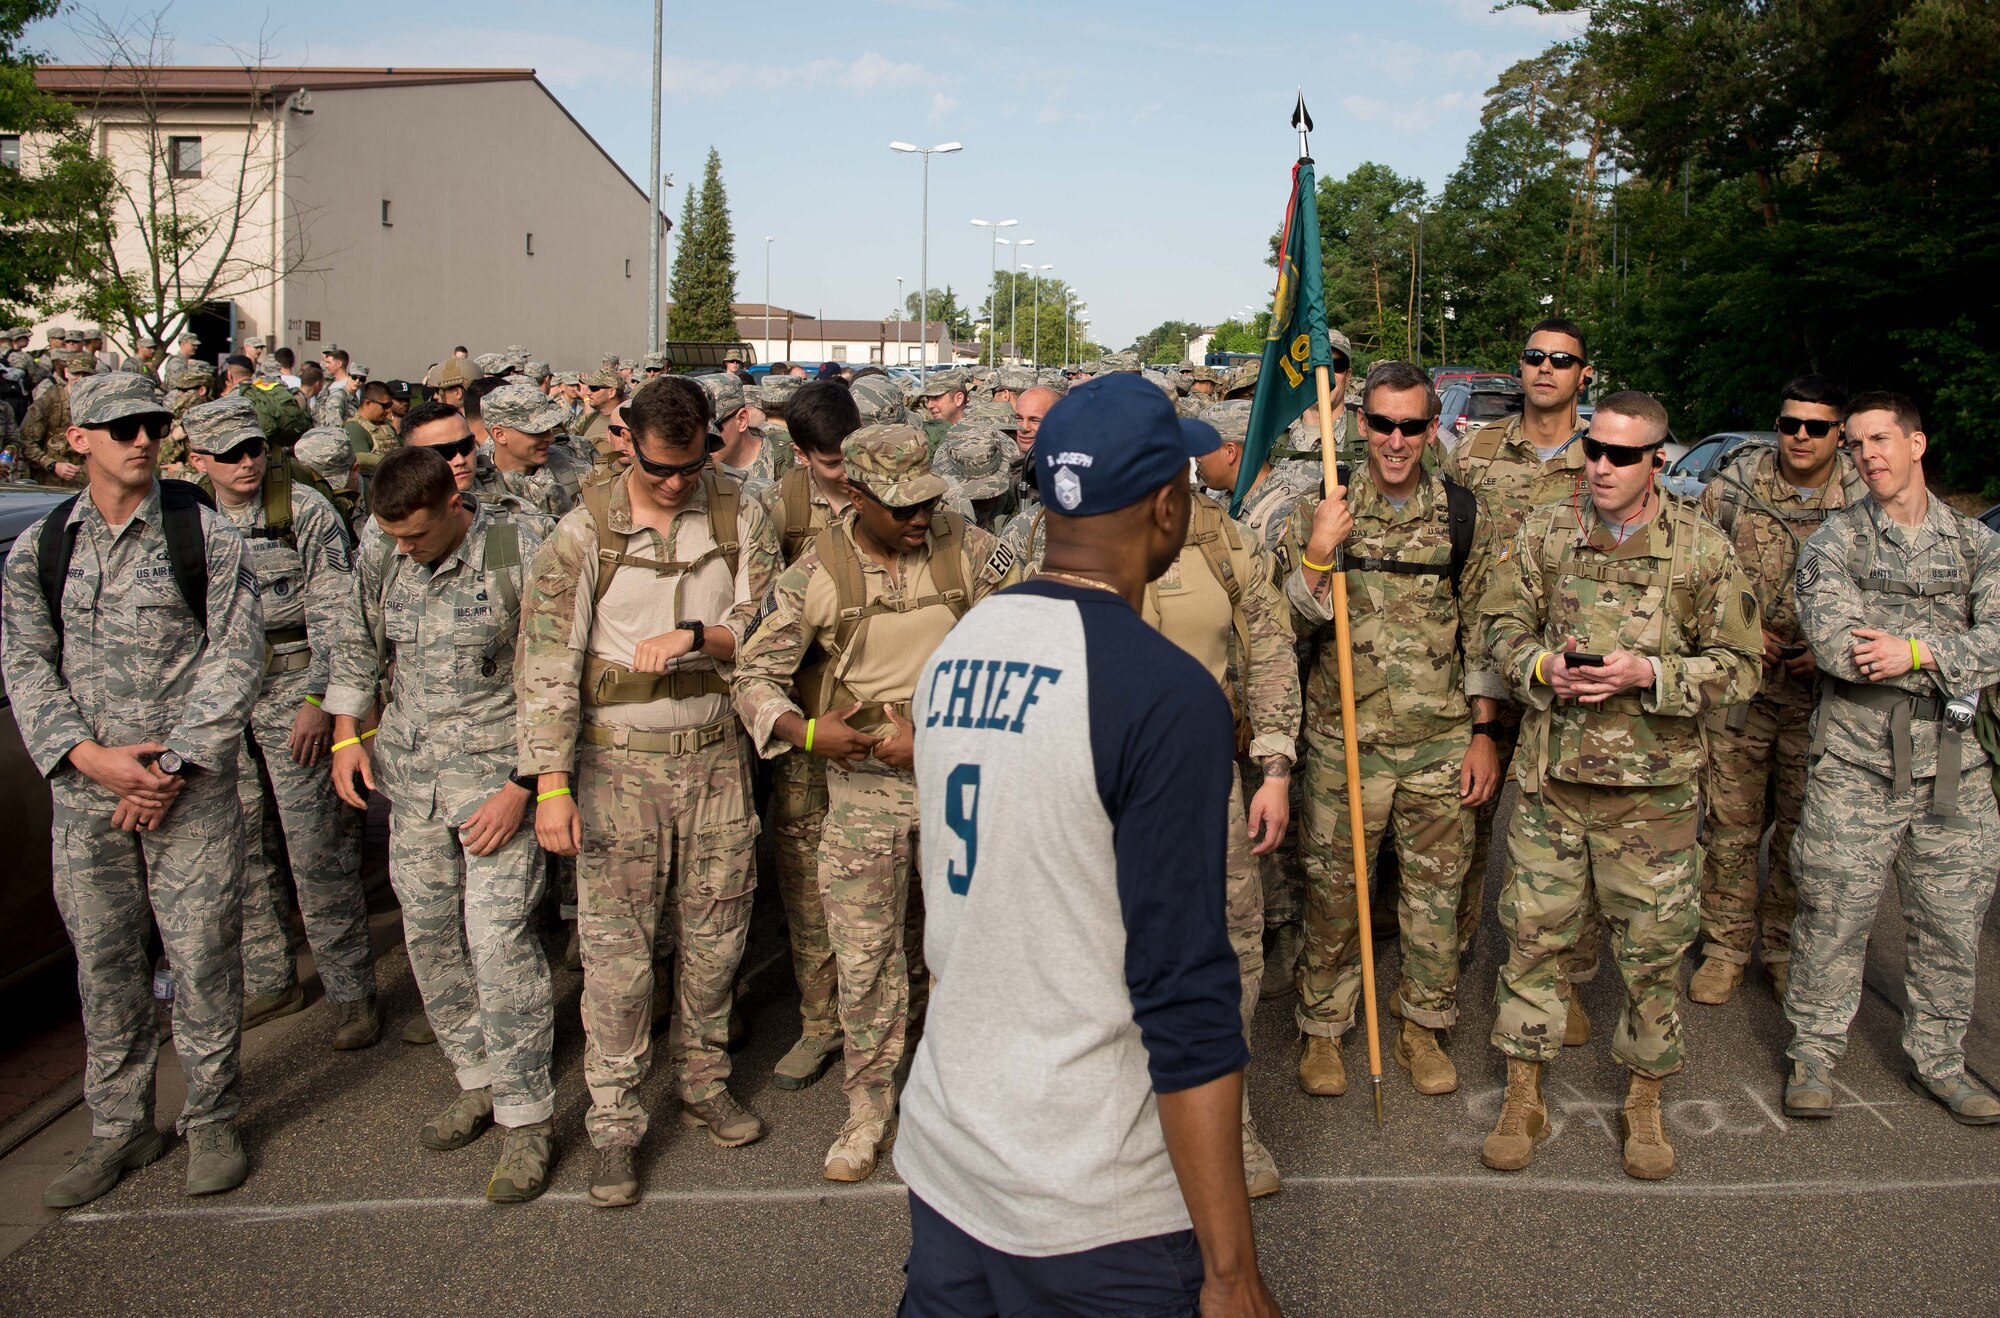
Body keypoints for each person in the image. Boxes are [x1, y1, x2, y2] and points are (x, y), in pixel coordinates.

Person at [897, 372, 1279, 1317]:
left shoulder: (960, 645)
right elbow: (1185, 990)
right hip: (1092, 1199)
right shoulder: (1162, 692)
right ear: (1166, 504)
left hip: (950, 1149)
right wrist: (1231, 1272)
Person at [1481, 390, 1762, 1179]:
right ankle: (1523, 1092)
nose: (1600, 466)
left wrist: (1653, 673)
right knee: (1533, 942)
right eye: (1593, 450)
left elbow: (1743, 668)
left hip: (1655, 799)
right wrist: (1539, 667)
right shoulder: (1544, 533)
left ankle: (1644, 1097)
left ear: (1657, 462)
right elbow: (1500, 628)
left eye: (1621, 455)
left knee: (1650, 954)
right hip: (1553, 784)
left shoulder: (1703, 551)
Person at [2, 372, 264, 1206]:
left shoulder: (207, 537)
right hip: (87, 798)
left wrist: (170, 768)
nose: (142, 438)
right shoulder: (42, 549)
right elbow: (25, 666)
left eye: (152, 422)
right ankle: (119, 1127)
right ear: (78, 439)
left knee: (201, 957)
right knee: (106, 963)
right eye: (120, 426)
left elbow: (237, 657)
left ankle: (213, 1117)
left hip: (188, 794)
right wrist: (87, 757)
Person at [517, 375, 779, 1207]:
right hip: (616, 765)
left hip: (715, 757)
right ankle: (615, 1121)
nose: (676, 482)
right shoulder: (579, 532)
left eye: (693, 462)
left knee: (717, 937)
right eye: (662, 467)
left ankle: (703, 1081)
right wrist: (550, 787)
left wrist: (702, 637)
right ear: (627, 439)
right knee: (619, 958)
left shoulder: (743, 511)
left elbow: (770, 625)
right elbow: (548, 664)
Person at [733, 423, 1015, 1182]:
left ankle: (975, 1105)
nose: (918, 518)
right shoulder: (815, 573)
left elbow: (1026, 654)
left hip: (965, 788)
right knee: (865, 963)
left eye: (926, 500)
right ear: (854, 496)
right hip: (862, 798)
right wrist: (803, 731)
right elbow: (752, 677)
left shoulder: (977, 553)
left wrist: (928, 736)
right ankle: (868, 1108)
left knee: (975, 955)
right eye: (899, 506)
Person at [325, 445, 558, 1202]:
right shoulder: (380, 550)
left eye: (416, 536)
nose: (404, 549)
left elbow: (556, 674)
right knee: (427, 935)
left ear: (453, 505)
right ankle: (478, 1076)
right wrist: (346, 737)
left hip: (496, 786)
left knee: (497, 944)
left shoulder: (514, 547)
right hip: (411, 780)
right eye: (393, 537)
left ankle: (528, 1120)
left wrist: (526, 784)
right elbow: (357, 646)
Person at [1280, 363, 1503, 1102]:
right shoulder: (1323, 508)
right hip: (1346, 744)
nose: (1396, 440)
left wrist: (1483, 736)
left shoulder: (1463, 514)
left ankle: (1423, 1027)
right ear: (1359, 426)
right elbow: (1282, 625)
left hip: (1439, 746)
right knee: (1335, 896)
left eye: (1412, 425)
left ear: (1432, 427)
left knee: (1434, 902)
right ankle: (1322, 1028)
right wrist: (1318, 551)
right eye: (1382, 424)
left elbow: (1485, 635)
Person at [1782, 390, 2000, 1125]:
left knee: (1950, 923)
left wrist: (1916, 649)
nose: (1866, 455)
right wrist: (1959, 656)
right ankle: (1813, 1053)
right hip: (1856, 763)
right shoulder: (1833, 543)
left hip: (1957, 767)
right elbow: (1841, 649)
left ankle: (1940, 1062)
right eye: (1855, 444)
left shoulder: (1977, 545)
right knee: (1834, 913)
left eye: (1879, 440)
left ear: (1917, 444)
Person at [181, 398, 377, 1047]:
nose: (246, 462)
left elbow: (337, 613)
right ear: (198, 459)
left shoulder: (303, 510)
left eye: (254, 450)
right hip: (219, 701)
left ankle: (350, 989)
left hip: (293, 687)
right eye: (230, 453)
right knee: (241, 847)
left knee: (315, 847)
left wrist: (320, 702)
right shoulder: (184, 519)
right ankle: (270, 977)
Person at [1688, 376, 1867, 1005]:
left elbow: (1890, 598)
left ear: (1839, 434)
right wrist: (1739, 629)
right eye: (1790, 423)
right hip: (1742, 689)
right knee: (1729, 825)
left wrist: (1833, 650)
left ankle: (1783, 946)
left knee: (1803, 830)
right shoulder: (1735, 489)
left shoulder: (1866, 500)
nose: (1799, 436)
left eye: (1816, 427)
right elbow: (1693, 571)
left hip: (1826, 700)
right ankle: (1724, 946)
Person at [1443, 316, 1599, 1036]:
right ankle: (1443, 963)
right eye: (1534, 357)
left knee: (1566, 834)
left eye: (1561, 360)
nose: (1545, 369)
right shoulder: (1473, 453)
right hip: (1476, 663)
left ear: (1583, 375)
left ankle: (1555, 978)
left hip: (1563, 674)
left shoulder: (1603, 459)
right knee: (1461, 825)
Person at [759, 381, 863, 1091]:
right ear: (800, 456)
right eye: (830, 463)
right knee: (807, 882)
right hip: (809, 721)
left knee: (896, 880)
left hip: (882, 724)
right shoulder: (778, 509)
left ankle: (894, 1017)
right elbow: (762, 619)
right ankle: (821, 1022)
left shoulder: (896, 494)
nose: (846, 472)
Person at [480, 380, 588, 519]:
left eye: (549, 429)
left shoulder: (580, 474)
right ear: (499, 434)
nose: (550, 438)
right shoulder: (475, 487)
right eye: (536, 431)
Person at [575, 366, 627, 470]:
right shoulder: (585, 421)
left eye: (594, 388)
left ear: (611, 392)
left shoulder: (631, 420)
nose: (589, 393)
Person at [919, 370, 969, 450]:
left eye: (936, 398)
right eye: (928, 399)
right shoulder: (923, 433)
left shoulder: (977, 433)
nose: (929, 405)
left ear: (958, 399)